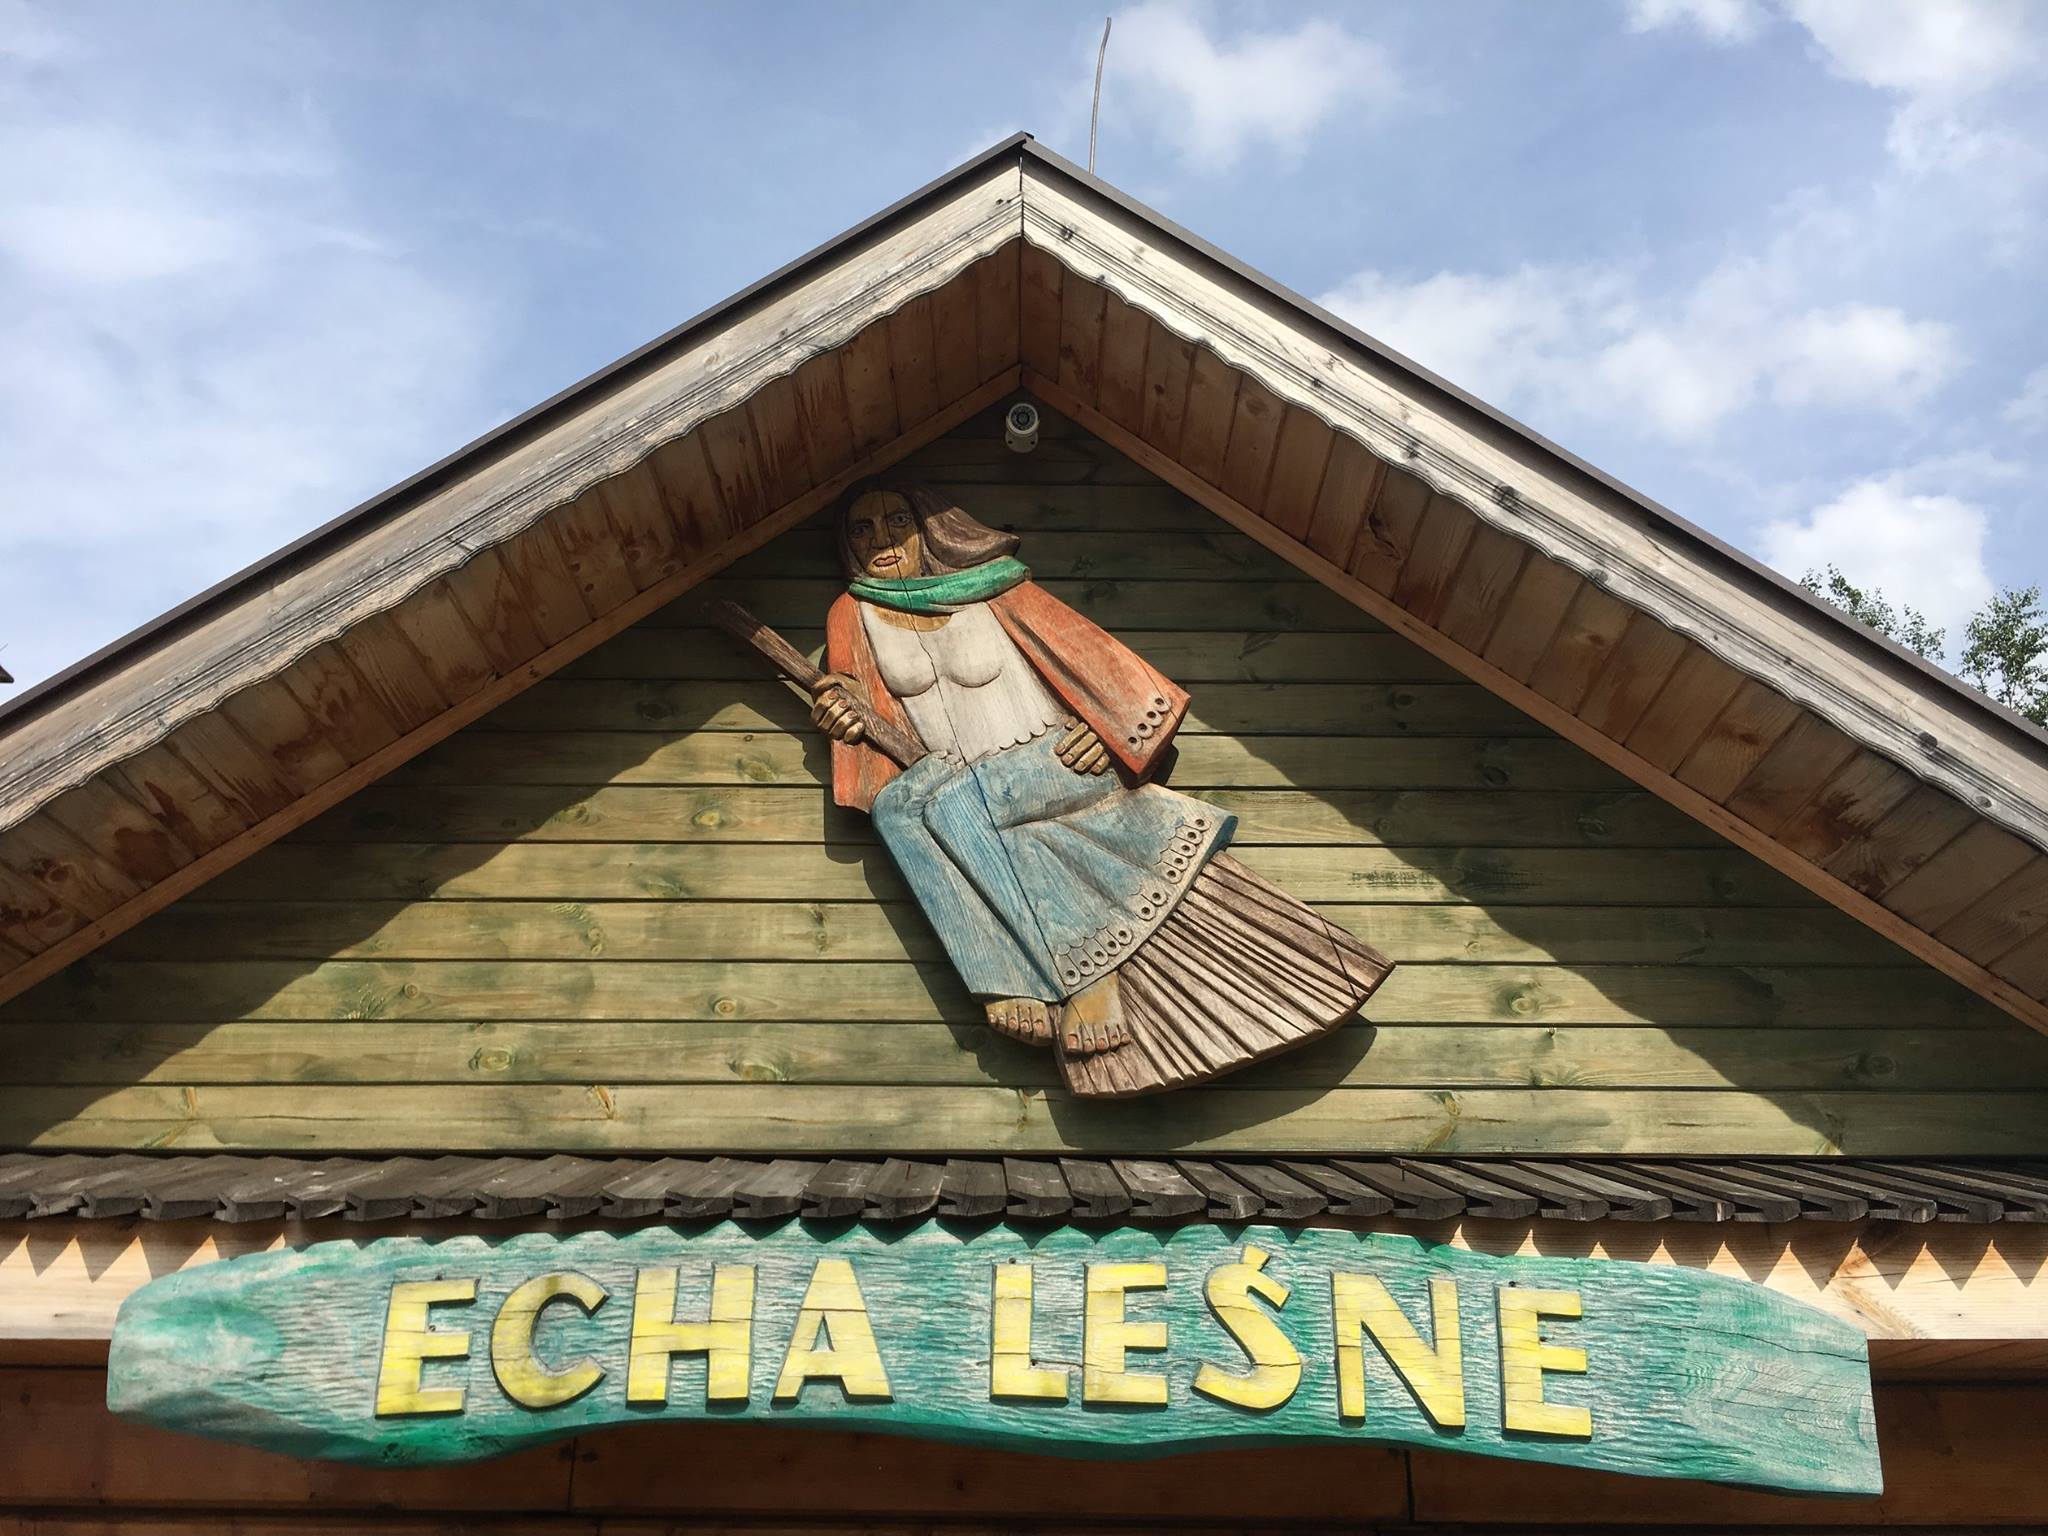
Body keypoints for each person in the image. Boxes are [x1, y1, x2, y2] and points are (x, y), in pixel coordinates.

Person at [809, 474, 1389, 1097]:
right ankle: (998, 969)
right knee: (897, 811)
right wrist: (841, 704)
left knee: (958, 803)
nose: (881, 539)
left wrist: (1111, 733)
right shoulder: (852, 613)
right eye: (862, 529)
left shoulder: (998, 588)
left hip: (1057, 756)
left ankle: (1081, 975)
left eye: (897, 521)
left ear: (930, 528)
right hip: (956, 778)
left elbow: (1104, 664)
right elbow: (860, 700)